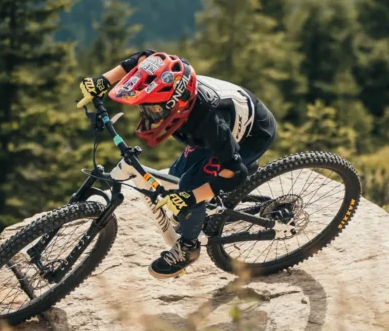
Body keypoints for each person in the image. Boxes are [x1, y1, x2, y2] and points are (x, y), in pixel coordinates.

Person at [79, 51, 277, 279]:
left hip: (252, 136)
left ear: (175, 103)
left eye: (154, 109)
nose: (147, 116)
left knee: (188, 186)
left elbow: (235, 172)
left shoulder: (208, 123)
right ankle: (207, 208)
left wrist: (191, 197)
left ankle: (189, 248)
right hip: (223, 125)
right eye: (144, 107)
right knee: (175, 176)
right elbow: (144, 58)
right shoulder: (174, 72)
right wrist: (104, 80)